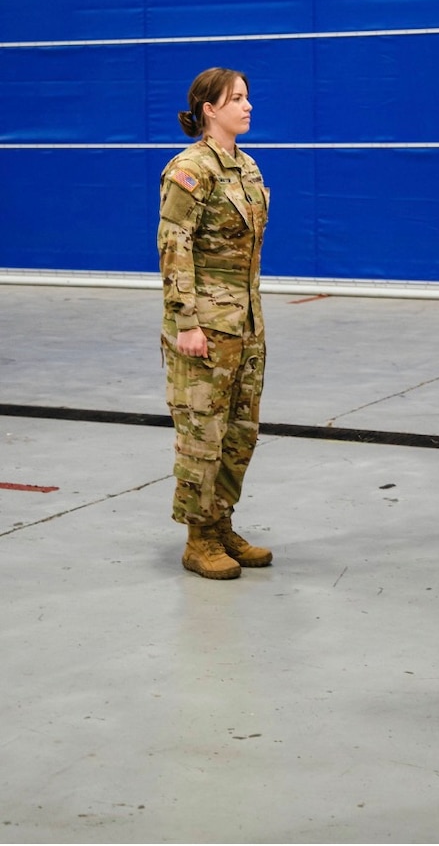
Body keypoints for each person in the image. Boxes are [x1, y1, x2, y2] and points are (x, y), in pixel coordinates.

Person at [158, 66, 273, 580]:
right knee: (202, 434)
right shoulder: (189, 169)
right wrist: (186, 321)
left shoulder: (245, 168)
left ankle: (221, 521)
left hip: (245, 324)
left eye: (248, 98)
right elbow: (173, 245)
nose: (248, 106)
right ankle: (198, 538)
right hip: (204, 324)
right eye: (237, 99)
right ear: (210, 109)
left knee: (239, 434)